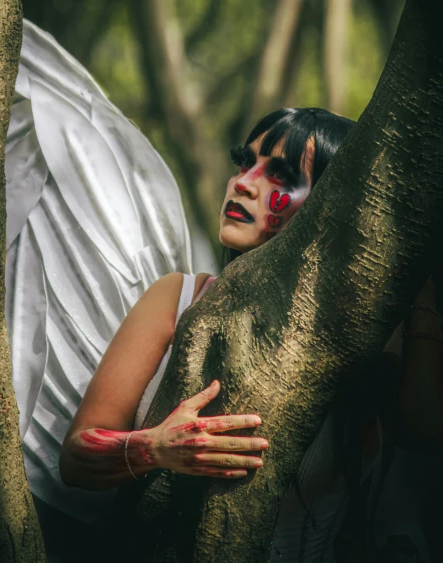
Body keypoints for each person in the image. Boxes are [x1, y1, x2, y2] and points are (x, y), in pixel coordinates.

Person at [58, 105, 443, 562]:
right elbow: (76, 458)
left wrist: (417, 283)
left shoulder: (370, 347)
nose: (242, 182)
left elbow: (425, 431)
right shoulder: (178, 299)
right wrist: (154, 448)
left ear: (333, 204)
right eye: (245, 161)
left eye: (278, 174)